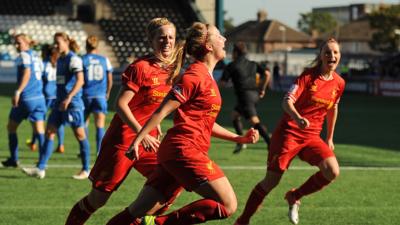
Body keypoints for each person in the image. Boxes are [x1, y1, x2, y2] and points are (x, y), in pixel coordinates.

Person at [106, 22, 259, 225]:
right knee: (228, 205)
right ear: (209, 46)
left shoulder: (205, 76)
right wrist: (138, 139)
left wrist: (238, 137)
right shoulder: (194, 76)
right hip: (184, 150)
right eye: (218, 36)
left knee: (134, 214)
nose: (224, 39)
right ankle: (157, 223)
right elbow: (161, 111)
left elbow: (206, 122)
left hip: (176, 152)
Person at [64, 17, 182, 225]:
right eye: (161, 37)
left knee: (172, 180)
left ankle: (130, 222)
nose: (167, 41)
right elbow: (121, 105)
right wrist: (140, 133)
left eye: (170, 37)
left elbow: (151, 106)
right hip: (122, 141)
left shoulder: (171, 70)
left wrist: (155, 126)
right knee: (97, 200)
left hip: (149, 141)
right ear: (151, 39)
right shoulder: (140, 67)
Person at [234, 38, 345, 225]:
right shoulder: (307, 77)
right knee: (271, 182)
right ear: (320, 56)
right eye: (327, 52)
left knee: (332, 171)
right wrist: (297, 118)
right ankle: (243, 221)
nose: (331, 56)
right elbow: (286, 101)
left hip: (311, 137)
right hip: (288, 134)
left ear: (339, 56)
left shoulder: (339, 83)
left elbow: (333, 108)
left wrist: (330, 137)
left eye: (335, 53)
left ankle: (295, 196)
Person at [22, 32, 90, 179]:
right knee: (49, 132)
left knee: (80, 135)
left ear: (66, 42)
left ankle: (86, 169)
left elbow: (80, 81)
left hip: (73, 104)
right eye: (54, 43)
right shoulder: (60, 59)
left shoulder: (74, 59)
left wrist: (69, 98)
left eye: (58, 42)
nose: (55, 45)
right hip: (59, 103)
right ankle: (40, 168)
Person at [1, 34, 46, 168]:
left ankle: (14, 159)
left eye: (19, 43)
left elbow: (27, 72)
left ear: (26, 43)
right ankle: (42, 162)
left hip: (26, 98)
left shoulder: (24, 55)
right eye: (15, 43)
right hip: (39, 98)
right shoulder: (36, 55)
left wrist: (18, 91)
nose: (16, 46)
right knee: (39, 131)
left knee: (11, 127)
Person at [219, 42, 271, 154]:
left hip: (244, 97)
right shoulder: (253, 64)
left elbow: (222, 84)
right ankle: (241, 142)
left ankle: (270, 143)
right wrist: (262, 88)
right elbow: (267, 74)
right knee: (235, 115)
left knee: (254, 120)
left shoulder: (232, 66)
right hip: (255, 94)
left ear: (235, 53)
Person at [25, 44, 66, 154]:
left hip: (46, 95)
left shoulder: (44, 64)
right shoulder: (60, 63)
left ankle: (34, 143)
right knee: (58, 121)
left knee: (38, 119)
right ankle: (61, 144)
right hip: (57, 95)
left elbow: (40, 79)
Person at [82, 35, 113, 154]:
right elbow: (110, 79)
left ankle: (84, 150)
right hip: (100, 97)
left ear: (86, 45)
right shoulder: (104, 60)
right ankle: (99, 152)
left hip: (85, 96)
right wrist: (108, 93)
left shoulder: (82, 59)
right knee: (100, 125)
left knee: (83, 124)